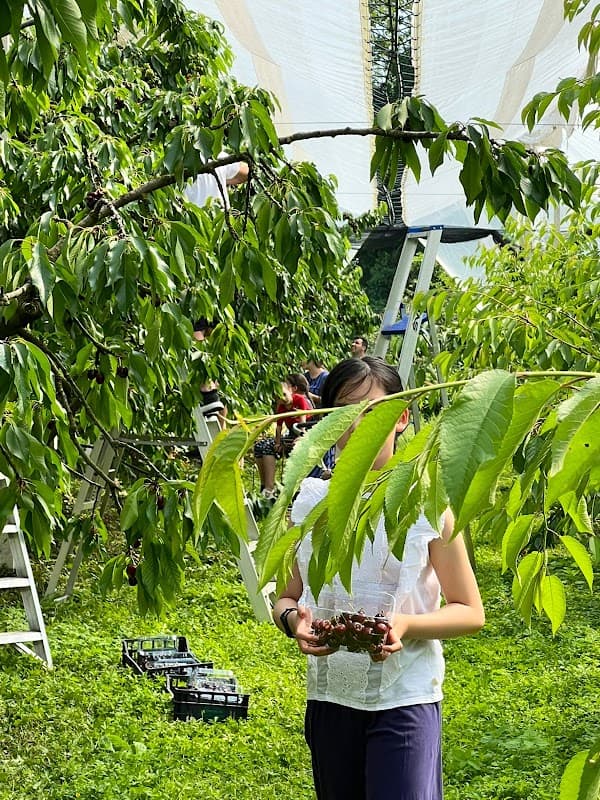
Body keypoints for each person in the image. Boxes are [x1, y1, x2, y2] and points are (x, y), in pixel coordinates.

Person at [273, 356, 485, 800]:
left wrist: (406, 625)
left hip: (404, 697)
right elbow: (286, 597)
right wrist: (294, 621)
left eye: (371, 412)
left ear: (401, 417)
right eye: (343, 412)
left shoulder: (426, 503)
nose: (357, 426)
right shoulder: (311, 503)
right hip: (331, 699)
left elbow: (470, 610)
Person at [254, 376, 312, 499]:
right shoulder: (281, 408)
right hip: (291, 434)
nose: (283, 399)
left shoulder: (299, 400)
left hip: (306, 431)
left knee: (269, 447)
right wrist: (277, 442)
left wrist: (301, 436)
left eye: (284, 394)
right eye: (279, 397)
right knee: (260, 446)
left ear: (291, 390)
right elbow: (279, 428)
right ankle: (265, 487)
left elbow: (303, 422)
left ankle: (270, 489)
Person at [184, 151, 248, 209]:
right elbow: (246, 171)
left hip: (191, 215)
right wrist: (221, 179)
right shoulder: (216, 155)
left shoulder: (179, 157)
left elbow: (246, 171)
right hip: (221, 215)